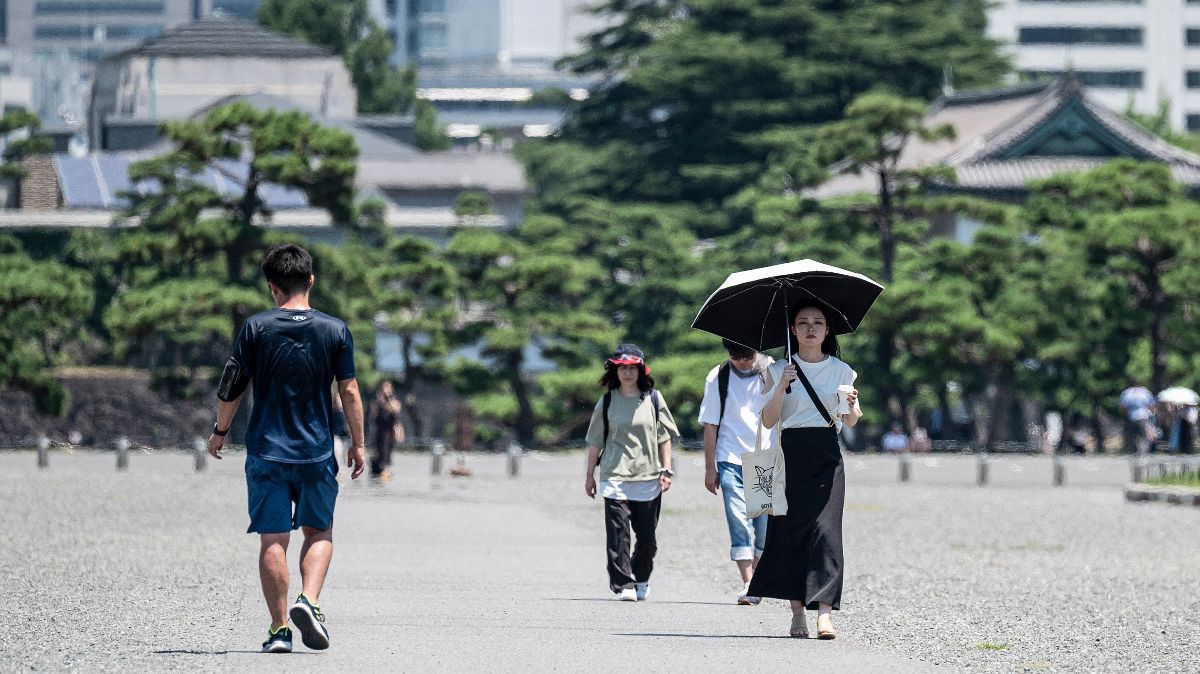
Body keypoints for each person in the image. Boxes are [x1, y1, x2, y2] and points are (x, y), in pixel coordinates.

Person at [207, 244, 366, 654]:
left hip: (266, 452)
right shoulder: (335, 330)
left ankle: (279, 630)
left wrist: (220, 430)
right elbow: (348, 389)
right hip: (316, 452)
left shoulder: (256, 328)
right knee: (319, 529)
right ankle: (309, 601)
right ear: (310, 281)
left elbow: (232, 384)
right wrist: (359, 444)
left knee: (272, 539)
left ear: (272, 287)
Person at [748, 304, 862, 640]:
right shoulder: (779, 368)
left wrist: (853, 404)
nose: (810, 328)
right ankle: (797, 612)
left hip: (827, 456)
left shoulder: (842, 370)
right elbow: (768, 420)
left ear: (828, 331)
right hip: (789, 456)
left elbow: (852, 419)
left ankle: (824, 613)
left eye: (818, 323)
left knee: (827, 533)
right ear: (793, 331)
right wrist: (781, 385)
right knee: (790, 534)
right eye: (803, 323)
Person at [583, 343, 678, 602]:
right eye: (622, 368)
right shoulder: (606, 402)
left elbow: (664, 437)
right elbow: (595, 442)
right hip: (614, 476)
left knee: (647, 539)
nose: (627, 373)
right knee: (618, 535)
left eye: (632, 368)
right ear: (615, 371)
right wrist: (589, 475)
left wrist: (666, 469)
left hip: (648, 477)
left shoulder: (653, 399)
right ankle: (623, 583)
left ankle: (642, 577)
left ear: (641, 370)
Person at [698, 338, 773, 605]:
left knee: (763, 526)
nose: (742, 361)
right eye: (736, 355)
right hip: (729, 457)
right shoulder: (718, 376)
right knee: (737, 519)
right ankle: (748, 581)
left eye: (747, 355)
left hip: (763, 457)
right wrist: (710, 468)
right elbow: (710, 425)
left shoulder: (771, 370)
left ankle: (758, 578)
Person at [371, 381, 404, 480]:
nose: (387, 390)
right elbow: (374, 415)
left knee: (388, 450)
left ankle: (385, 469)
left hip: (390, 430)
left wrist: (399, 431)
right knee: (381, 450)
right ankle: (381, 469)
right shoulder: (377, 402)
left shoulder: (395, 402)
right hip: (381, 429)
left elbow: (397, 416)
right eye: (385, 388)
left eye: (389, 388)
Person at [1119, 382, 1157, 454]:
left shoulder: (1127, 393)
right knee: (1144, 436)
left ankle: (1134, 452)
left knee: (1132, 436)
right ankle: (1143, 452)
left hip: (1131, 417)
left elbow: (1123, 407)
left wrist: (1126, 415)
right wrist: (1152, 416)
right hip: (1143, 417)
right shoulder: (1145, 392)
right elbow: (1152, 405)